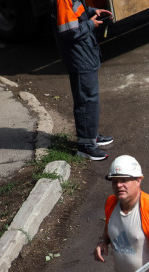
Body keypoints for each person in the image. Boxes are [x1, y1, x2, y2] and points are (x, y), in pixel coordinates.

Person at [53, 0, 113, 161]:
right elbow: (69, 32)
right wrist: (91, 24)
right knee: (86, 100)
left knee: (91, 99)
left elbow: (78, 11)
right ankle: (86, 146)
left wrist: (94, 11)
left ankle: (91, 136)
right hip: (79, 56)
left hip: (85, 53)